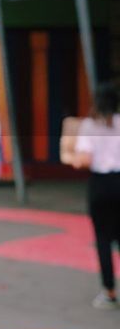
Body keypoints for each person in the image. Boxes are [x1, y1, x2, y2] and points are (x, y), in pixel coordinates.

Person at [71, 81, 120, 308]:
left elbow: (85, 159)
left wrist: (73, 159)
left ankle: (109, 291)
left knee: (102, 238)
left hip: (100, 185)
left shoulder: (88, 126)